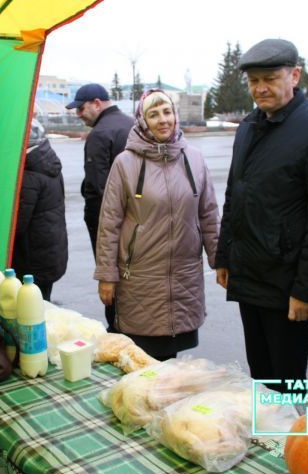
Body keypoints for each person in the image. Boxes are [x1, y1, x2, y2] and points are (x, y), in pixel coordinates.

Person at [215, 39, 308, 393]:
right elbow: (235, 195)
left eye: (270, 78)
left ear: (295, 75)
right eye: (253, 80)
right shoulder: (249, 127)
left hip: (287, 282)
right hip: (250, 274)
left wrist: (307, 290)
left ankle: (287, 446)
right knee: (259, 372)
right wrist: (225, 256)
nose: (260, 88)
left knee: (286, 381)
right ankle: (267, 442)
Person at [94, 89, 220, 361]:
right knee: (141, 359)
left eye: (167, 112)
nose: (163, 120)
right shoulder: (125, 163)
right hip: (141, 277)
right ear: (142, 120)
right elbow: (109, 224)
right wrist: (106, 274)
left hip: (184, 274)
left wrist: (218, 259)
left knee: (171, 358)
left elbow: (208, 213)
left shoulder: (194, 158)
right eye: (154, 114)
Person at [66, 83, 133, 332]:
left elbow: (99, 188)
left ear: (97, 103)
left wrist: (100, 228)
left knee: (111, 282)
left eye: (81, 108)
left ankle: (117, 330)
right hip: (136, 219)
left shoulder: (99, 134)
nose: (78, 114)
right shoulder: (131, 124)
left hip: (108, 221)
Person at [12, 119, 68, 301]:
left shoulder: (30, 175)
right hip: (50, 250)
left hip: (32, 258)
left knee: (33, 311)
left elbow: (17, 224)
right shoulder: (48, 164)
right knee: (44, 304)